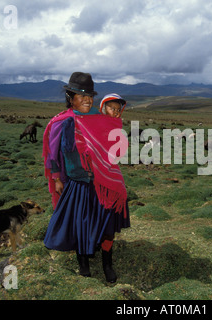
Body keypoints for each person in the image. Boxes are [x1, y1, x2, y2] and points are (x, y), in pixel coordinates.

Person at [42, 72, 130, 283]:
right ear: (70, 97)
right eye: (82, 95)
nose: (87, 100)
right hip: (78, 184)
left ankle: (107, 263)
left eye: (89, 95)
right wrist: (56, 178)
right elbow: (52, 154)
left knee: (108, 226)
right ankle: (84, 265)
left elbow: (114, 147)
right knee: (82, 226)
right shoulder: (61, 122)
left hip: (103, 183)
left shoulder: (99, 119)